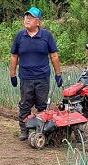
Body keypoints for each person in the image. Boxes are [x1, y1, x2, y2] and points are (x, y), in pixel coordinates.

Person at [10, 7, 63, 140]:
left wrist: (58, 74)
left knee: (42, 105)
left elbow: (54, 56)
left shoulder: (46, 36)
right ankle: (24, 130)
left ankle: (41, 130)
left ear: (38, 22)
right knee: (25, 105)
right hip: (25, 77)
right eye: (26, 17)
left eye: (31, 18)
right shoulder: (19, 36)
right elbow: (14, 56)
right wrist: (12, 75)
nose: (27, 20)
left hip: (42, 77)